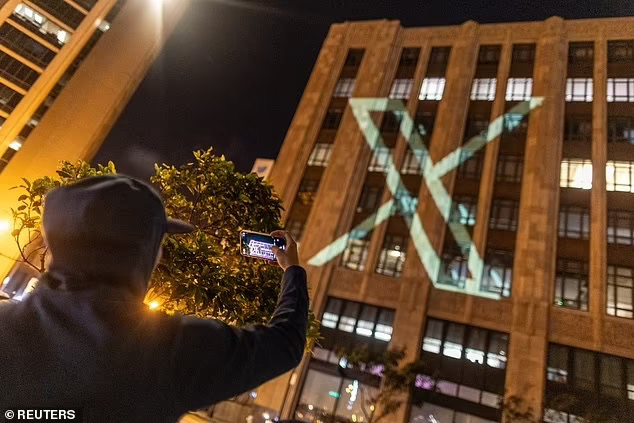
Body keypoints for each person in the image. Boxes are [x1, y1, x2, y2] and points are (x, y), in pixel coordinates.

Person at [0, 175, 308, 422]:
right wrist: (292, 269)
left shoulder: (6, 324)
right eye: (157, 242)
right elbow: (286, 344)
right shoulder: (170, 349)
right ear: (145, 254)